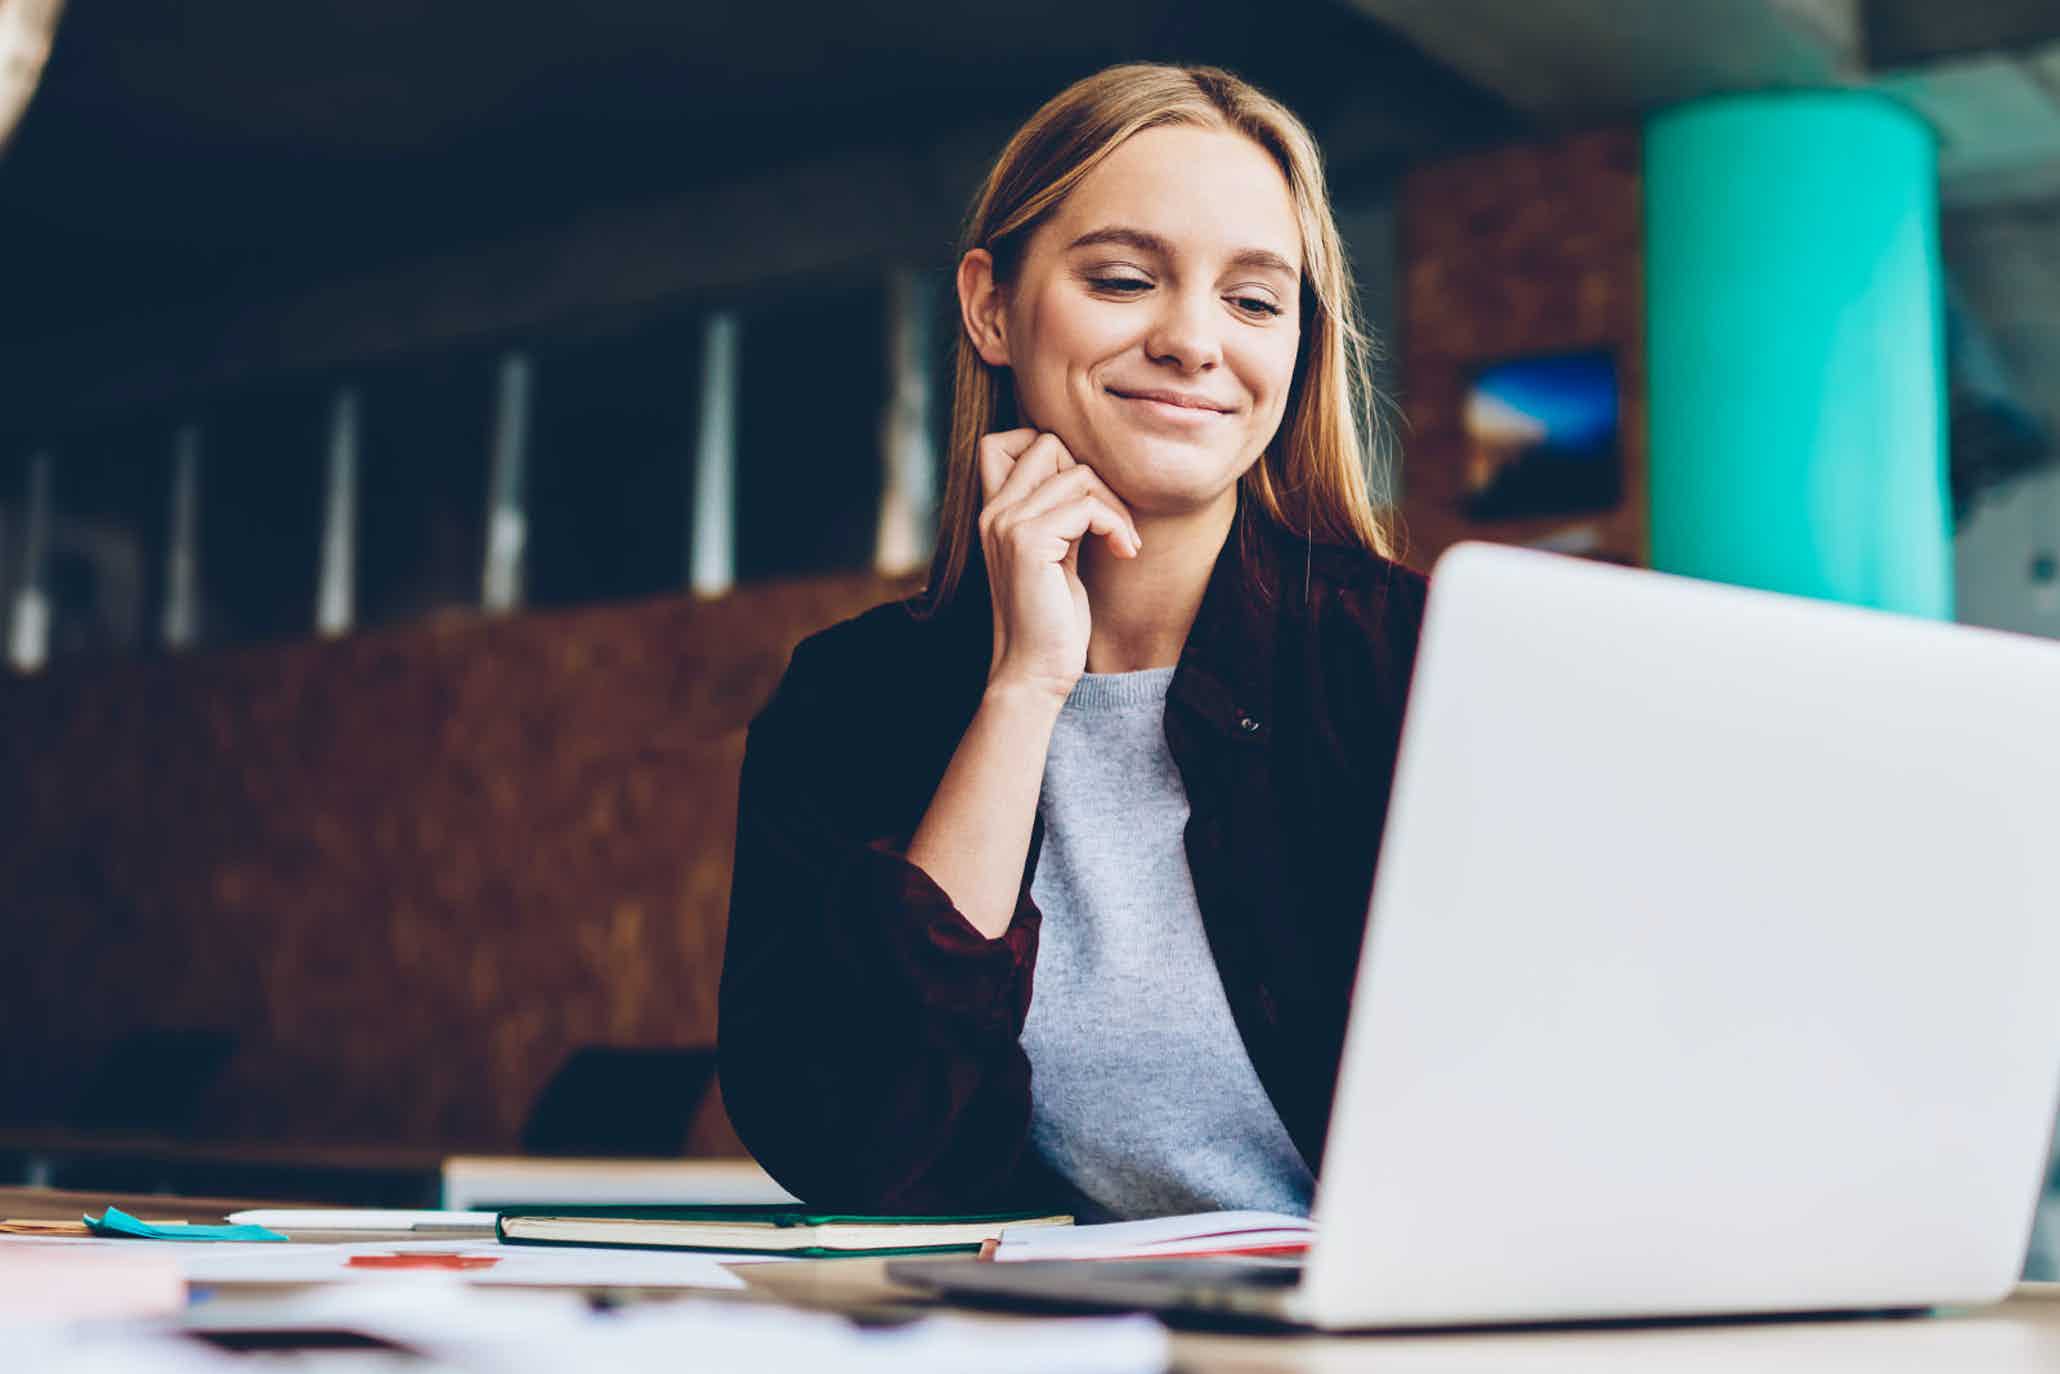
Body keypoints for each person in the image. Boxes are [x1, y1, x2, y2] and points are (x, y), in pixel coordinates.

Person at [717, 62, 1428, 1220]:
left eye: (1253, 300)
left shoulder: (1410, 666)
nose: (1194, 341)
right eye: (1121, 279)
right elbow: (853, 1144)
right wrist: (1023, 687)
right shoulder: (853, 699)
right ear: (991, 307)